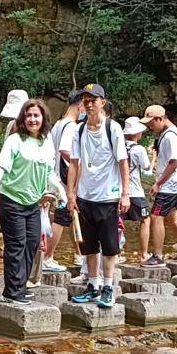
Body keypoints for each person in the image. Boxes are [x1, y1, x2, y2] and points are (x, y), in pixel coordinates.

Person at [0, 97, 58, 303]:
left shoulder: (46, 142)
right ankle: (12, 292)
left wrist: (61, 192)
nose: (32, 119)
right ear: (22, 119)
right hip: (11, 199)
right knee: (16, 244)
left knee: (32, 243)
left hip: (33, 203)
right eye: (28, 116)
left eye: (36, 115)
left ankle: (20, 285)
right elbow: (1, 166)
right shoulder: (15, 140)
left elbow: (49, 172)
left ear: (43, 118)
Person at [66, 89, 131, 307]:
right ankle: (93, 285)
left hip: (108, 197)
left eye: (93, 101)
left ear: (102, 102)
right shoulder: (79, 130)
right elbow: (74, 163)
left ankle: (108, 287)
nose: (89, 105)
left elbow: (123, 162)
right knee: (89, 246)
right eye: (86, 101)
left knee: (110, 245)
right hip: (85, 196)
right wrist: (71, 193)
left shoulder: (113, 128)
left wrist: (125, 194)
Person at [46, 89, 87, 271]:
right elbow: (64, 150)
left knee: (71, 216)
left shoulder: (58, 124)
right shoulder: (71, 126)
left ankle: (80, 255)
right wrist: (82, 165)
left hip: (55, 176)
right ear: (79, 106)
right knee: (61, 218)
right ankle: (48, 256)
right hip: (64, 181)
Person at [143, 104, 177, 266]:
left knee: (156, 217)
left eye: (151, 124)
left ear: (160, 119)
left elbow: (174, 162)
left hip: (169, 184)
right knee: (172, 217)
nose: (149, 127)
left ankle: (158, 256)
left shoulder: (170, 137)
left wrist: (158, 183)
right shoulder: (168, 133)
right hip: (174, 183)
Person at [122, 116, 153, 261]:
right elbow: (146, 167)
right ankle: (143, 253)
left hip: (120, 191)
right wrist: (153, 156)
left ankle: (116, 253)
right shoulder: (139, 149)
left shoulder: (119, 146)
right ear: (137, 133)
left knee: (117, 222)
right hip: (135, 191)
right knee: (145, 220)